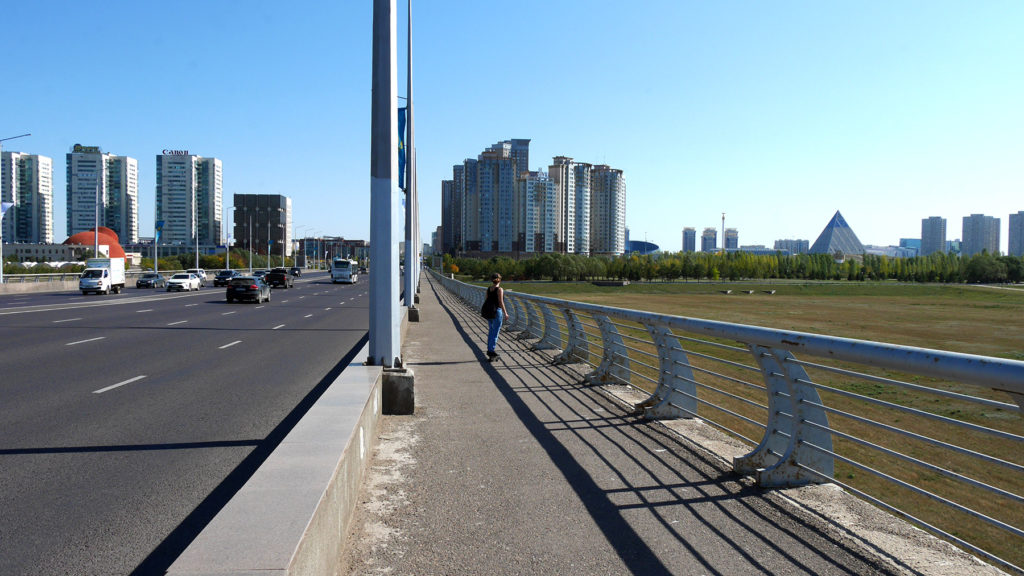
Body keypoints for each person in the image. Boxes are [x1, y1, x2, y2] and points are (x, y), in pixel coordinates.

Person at [484, 272, 508, 362]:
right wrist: (505, 313)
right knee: (495, 333)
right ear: (500, 280)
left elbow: (486, 300)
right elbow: (501, 302)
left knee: (491, 331)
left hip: (489, 312)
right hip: (497, 312)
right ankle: (491, 351)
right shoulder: (499, 290)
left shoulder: (488, 289)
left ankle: (490, 351)